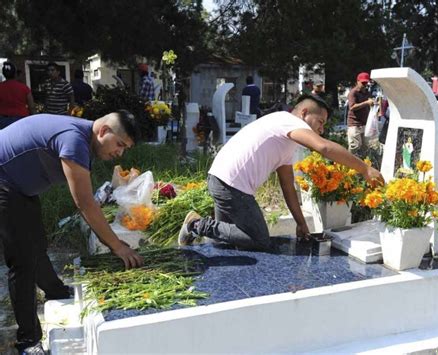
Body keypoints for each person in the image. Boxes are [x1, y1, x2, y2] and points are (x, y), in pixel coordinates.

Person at [0, 110, 144, 354]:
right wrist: (117, 246)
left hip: (18, 186)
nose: (119, 153)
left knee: (36, 242)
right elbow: (85, 203)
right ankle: (28, 341)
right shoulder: (74, 139)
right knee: (22, 261)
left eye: (125, 148)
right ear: (103, 131)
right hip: (4, 181)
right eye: (119, 144)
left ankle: (55, 291)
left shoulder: (82, 136)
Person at [178, 94, 384, 251]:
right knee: (258, 240)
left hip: (222, 178)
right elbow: (324, 148)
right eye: (320, 122)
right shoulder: (289, 121)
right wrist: (365, 169)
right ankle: (196, 225)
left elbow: (287, 185)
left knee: (222, 242)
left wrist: (301, 223)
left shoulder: (285, 137)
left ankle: (203, 243)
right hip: (231, 185)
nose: (321, 129)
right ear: (304, 113)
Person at [346, 72, 375, 157]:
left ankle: (363, 164)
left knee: (365, 146)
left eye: (366, 83)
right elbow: (352, 107)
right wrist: (366, 103)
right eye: (363, 83)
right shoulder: (353, 93)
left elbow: (369, 105)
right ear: (357, 81)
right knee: (355, 146)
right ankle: (346, 162)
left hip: (365, 123)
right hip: (354, 124)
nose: (364, 85)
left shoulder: (367, 92)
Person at [0, 61, 36, 129]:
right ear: (15, 74)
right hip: (21, 120)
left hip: (2, 121)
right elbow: (32, 107)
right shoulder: (24, 88)